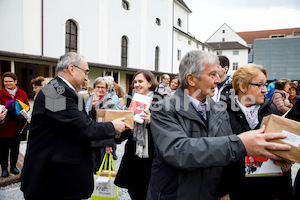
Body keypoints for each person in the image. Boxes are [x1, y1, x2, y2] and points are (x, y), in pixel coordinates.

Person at [146, 50, 291, 200]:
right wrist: (241, 143)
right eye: (212, 74)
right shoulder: (164, 109)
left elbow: (229, 157)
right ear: (191, 79)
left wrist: (273, 158)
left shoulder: (219, 110)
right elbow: (181, 152)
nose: (218, 80)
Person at [20, 52, 129, 200]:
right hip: (51, 184)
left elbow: (73, 128)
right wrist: (112, 126)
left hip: (57, 180)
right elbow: (83, 128)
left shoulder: (58, 90)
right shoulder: (54, 93)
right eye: (85, 72)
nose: (86, 78)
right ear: (72, 69)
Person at [221, 63, 293, 200]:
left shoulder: (271, 110)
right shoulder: (223, 113)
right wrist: (222, 191)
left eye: (265, 84)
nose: (265, 90)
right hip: (236, 190)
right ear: (242, 87)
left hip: (267, 190)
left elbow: (280, 149)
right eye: (259, 85)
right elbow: (219, 157)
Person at [114, 70, 162, 200]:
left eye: (140, 81)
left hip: (151, 157)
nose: (136, 84)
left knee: (150, 193)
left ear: (150, 83)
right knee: (134, 192)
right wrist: (118, 134)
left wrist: (152, 121)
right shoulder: (132, 101)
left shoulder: (160, 102)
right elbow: (129, 128)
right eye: (135, 82)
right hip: (133, 156)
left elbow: (167, 129)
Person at [85, 77, 118, 173]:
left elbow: (112, 124)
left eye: (103, 87)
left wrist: (109, 144)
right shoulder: (91, 100)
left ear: (107, 89)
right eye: (98, 87)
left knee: (104, 169)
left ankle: (104, 188)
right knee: (94, 168)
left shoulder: (110, 102)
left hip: (104, 142)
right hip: (93, 140)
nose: (100, 89)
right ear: (94, 88)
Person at [0, 72, 29, 178]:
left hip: (17, 126)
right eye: (5, 82)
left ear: (15, 82)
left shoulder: (22, 93)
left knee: (15, 148)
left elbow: (27, 107)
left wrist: (20, 108)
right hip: (4, 127)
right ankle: (4, 168)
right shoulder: (0, 93)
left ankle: (13, 166)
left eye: (10, 81)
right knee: (3, 150)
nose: (8, 84)